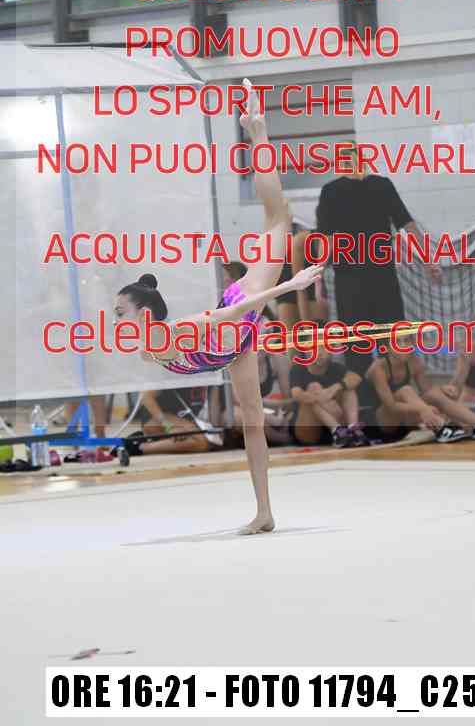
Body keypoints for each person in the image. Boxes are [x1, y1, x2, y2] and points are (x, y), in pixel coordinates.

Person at [113, 80, 324, 535]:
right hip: (233, 349)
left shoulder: (177, 334)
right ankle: (264, 512)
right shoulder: (148, 350)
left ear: (145, 315)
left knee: (279, 218)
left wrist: (290, 284)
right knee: (253, 422)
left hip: (242, 308)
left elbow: (234, 312)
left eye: (120, 313)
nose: (116, 321)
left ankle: (257, 130)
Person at [316, 140, 441, 383]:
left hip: (362, 281)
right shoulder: (371, 187)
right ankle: (384, 395)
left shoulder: (344, 189)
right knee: (384, 344)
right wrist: (428, 261)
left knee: (373, 346)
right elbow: (408, 226)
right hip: (369, 280)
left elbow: (326, 240)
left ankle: (385, 395)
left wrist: (317, 278)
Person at [359, 334, 475, 443]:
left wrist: (443, 389)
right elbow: (391, 406)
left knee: (434, 393)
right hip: (378, 426)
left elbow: (428, 391)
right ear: (388, 347)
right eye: (397, 342)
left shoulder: (414, 361)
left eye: (407, 341)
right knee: (406, 391)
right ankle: (441, 426)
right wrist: (422, 409)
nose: (403, 345)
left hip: (403, 425)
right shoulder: (378, 368)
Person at [289, 339, 363, 447]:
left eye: (323, 347)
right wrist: (324, 401)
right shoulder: (298, 369)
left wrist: (334, 388)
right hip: (308, 430)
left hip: (336, 422)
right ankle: (337, 430)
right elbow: (296, 394)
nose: (319, 352)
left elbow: (356, 378)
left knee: (348, 388)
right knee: (313, 387)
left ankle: (353, 430)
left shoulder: (336, 368)